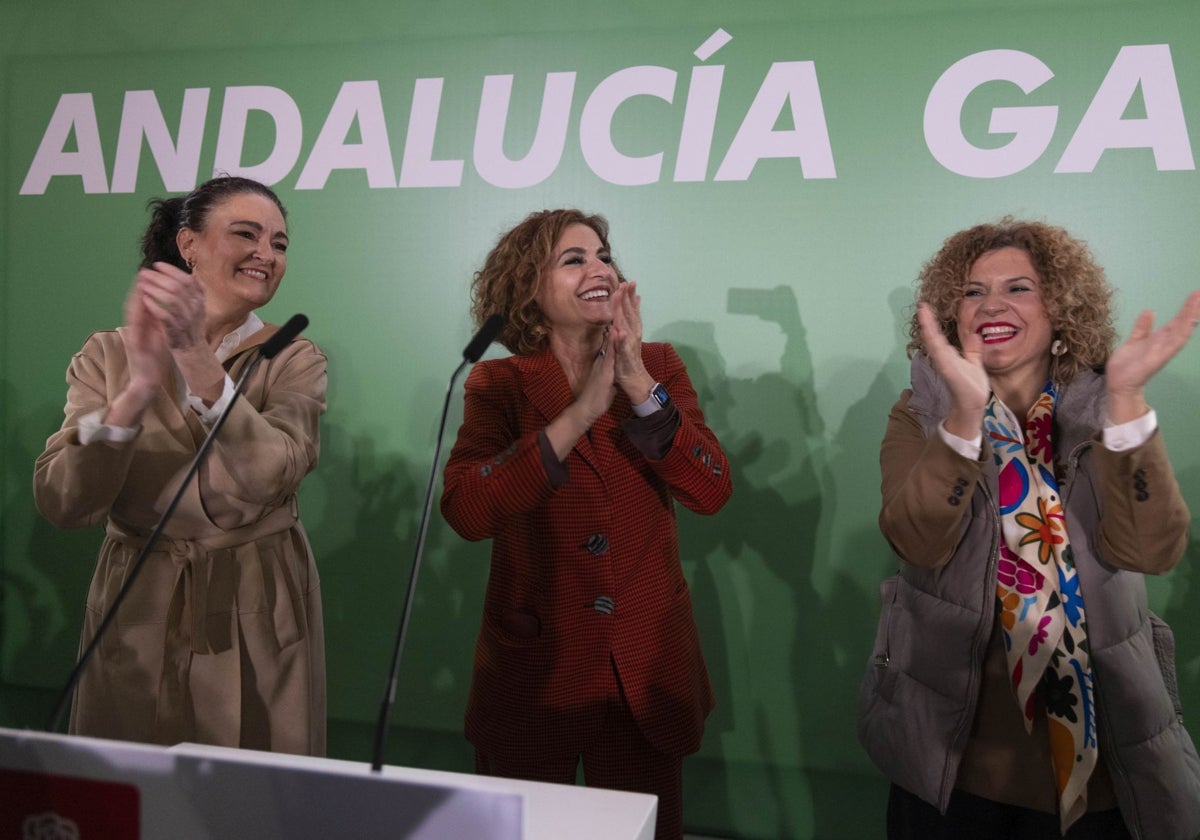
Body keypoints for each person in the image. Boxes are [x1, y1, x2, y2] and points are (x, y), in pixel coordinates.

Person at [857, 217, 1200, 839]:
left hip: (1099, 774)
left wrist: (1127, 405)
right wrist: (963, 420)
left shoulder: (1105, 410)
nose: (992, 304)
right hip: (950, 765)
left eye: (1019, 288)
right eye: (972, 291)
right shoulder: (921, 412)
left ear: (1061, 310)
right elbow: (917, 539)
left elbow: (1151, 548)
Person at [440, 209, 731, 839]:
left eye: (603, 256)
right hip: (534, 671)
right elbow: (467, 510)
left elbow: (711, 490)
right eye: (574, 260)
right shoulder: (498, 383)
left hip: (644, 670)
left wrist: (637, 386)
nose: (599, 269)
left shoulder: (660, 365)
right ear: (528, 289)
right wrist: (579, 415)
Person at [34, 176, 327, 756]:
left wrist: (196, 360)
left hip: (255, 596)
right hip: (141, 597)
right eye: (246, 234)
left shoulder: (292, 354)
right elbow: (64, 501)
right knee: (128, 785)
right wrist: (136, 393)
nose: (266, 254)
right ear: (187, 243)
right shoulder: (107, 354)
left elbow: (274, 472)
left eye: (280, 243)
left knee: (251, 792)